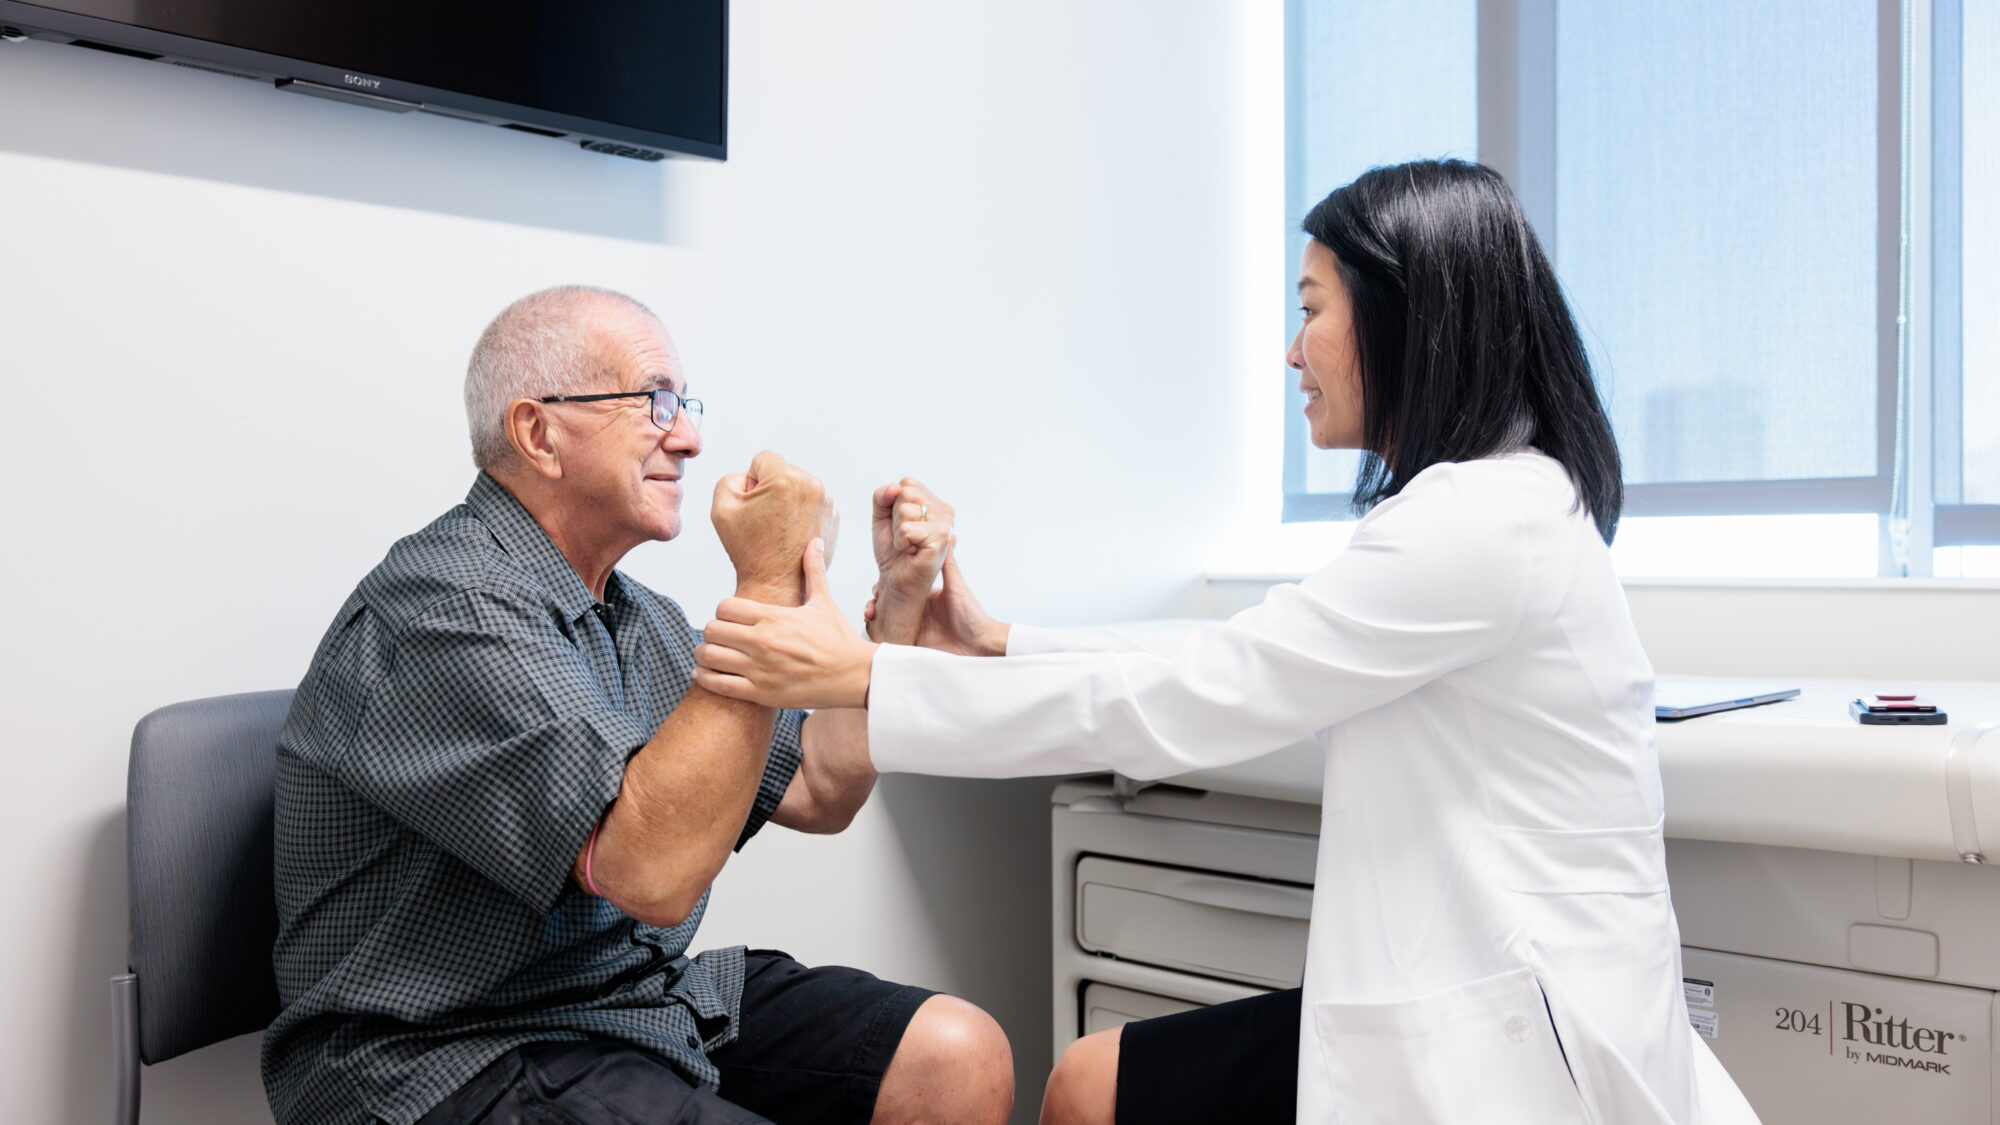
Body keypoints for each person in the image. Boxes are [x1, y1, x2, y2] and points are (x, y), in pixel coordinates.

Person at [688, 161, 1762, 1124]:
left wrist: (864, 672)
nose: (1292, 351)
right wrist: (995, 641)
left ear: (1403, 321)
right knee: (1091, 1083)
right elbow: (1245, 653)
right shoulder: (1495, 507)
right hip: (1478, 997)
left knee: (1090, 1086)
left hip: (1520, 1052)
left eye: (1311, 311)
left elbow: (1209, 688)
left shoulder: (1478, 523)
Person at [264, 286, 1013, 1125]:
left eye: (684, 404)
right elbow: (649, 875)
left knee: (954, 1051)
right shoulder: (447, 607)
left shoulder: (631, 615)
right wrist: (768, 581)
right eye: (655, 402)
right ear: (537, 432)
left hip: (623, 1005)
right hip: (440, 1053)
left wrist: (899, 605)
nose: (689, 437)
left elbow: (822, 788)